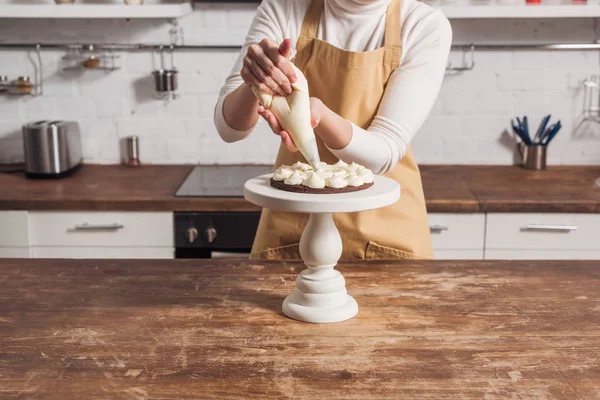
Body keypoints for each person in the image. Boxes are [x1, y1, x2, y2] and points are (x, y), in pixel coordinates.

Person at [214, 0, 452, 260]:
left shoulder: (422, 25)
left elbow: (384, 152)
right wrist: (255, 81)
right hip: (295, 226)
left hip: (386, 230)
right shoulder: (285, 8)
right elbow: (230, 130)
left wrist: (318, 116)